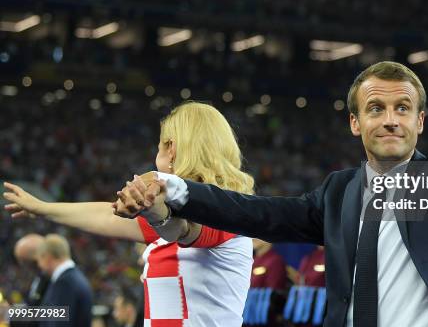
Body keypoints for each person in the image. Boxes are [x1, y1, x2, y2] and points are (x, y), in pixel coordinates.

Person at [116, 0, 428, 327]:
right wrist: (173, 187)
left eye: (402, 108)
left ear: (420, 121)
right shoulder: (337, 195)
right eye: (375, 108)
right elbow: (254, 213)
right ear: (355, 123)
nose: (390, 120)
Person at [3, 102, 255, 326]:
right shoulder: (187, 214)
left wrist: (156, 203)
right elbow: (108, 215)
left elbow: (182, 231)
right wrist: (42, 208)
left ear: (171, 147)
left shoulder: (227, 214)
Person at [36, 234, 93, 327]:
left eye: (39, 259)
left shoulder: (65, 283)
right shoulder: (72, 278)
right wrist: (12, 313)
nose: (39, 265)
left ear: (47, 257)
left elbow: (58, 323)